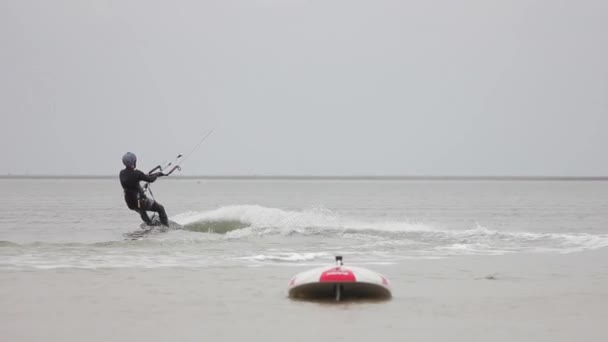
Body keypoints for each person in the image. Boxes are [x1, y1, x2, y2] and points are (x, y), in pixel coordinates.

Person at [119, 152, 169, 226]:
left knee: (141, 211)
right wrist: (157, 174)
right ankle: (165, 226)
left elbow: (132, 184)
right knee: (160, 208)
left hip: (130, 202)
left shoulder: (122, 173)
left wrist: (141, 185)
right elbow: (150, 179)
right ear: (134, 162)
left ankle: (149, 224)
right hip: (140, 201)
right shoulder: (137, 173)